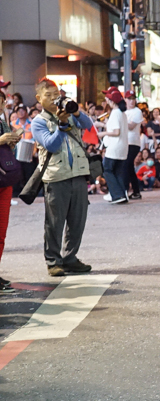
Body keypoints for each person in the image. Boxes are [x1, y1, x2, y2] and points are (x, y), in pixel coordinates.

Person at [30, 78, 94, 276]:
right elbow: (51, 145)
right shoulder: (38, 122)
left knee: (77, 220)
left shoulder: (70, 113)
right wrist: (62, 124)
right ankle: (53, 261)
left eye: (56, 95)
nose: (53, 99)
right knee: (55, 222)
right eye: (47, 96)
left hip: (78, 173)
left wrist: (75, 112)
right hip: (56, 176)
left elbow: (88, 125)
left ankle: (70, 258)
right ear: (39, 98)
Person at [0, 106, 21, 292]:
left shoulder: (2, 124)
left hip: (4, 180)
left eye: (1, 102)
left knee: (1, 232)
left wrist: (11, 141)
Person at [98, 90, 129, 203]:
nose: (106, 100)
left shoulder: (115, 113)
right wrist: (104, 124)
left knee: (107, 169)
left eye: (107, 98)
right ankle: (122, 194)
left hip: (115, 146)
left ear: (111, 101)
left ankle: (116, 195)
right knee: (118, 172)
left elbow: (116, 132)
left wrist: (103, 133)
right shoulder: (122, 113)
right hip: (123, 147)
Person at [123, 91, 143, 199]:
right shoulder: (123, 112)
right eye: (129, 99)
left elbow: (131, 126)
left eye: (133, 98)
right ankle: (136, 191)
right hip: (124, 142)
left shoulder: (137, 111)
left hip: (133, 142)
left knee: (126, 165)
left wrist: (120, 120)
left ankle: (125, 190)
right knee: (129, 167)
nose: (131, 101)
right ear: (125, 100)